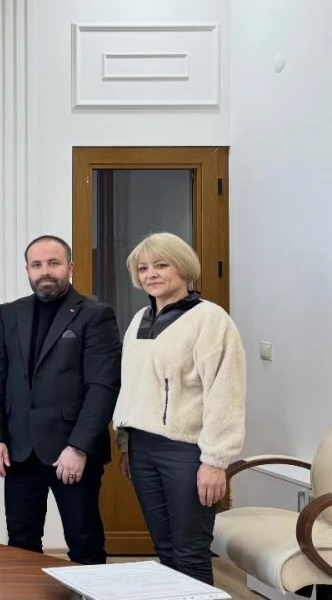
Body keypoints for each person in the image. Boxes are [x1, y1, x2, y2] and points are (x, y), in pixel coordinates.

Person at [112, 232, 246, 585]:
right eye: (143, 268)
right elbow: (131, 387)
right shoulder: (139, 319)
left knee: (190, 552)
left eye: (161, 265)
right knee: (165, 549)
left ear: (183, 268)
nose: (150, 274)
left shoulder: (210, 319)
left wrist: (215, 461)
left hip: (187, 452)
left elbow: (225, 393)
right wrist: (126, 445)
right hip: (142, 448)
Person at [0, 235, 121, 564]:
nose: (45, 271)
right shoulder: (9, 314)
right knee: (21, 543)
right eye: (37, 264)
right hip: (18, 451)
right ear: (27, 270)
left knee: (85, 543)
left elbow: (103, 387)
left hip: (72, 452)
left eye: (53, 263)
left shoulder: (96, 315)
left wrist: (79, 447)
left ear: (69, 268)